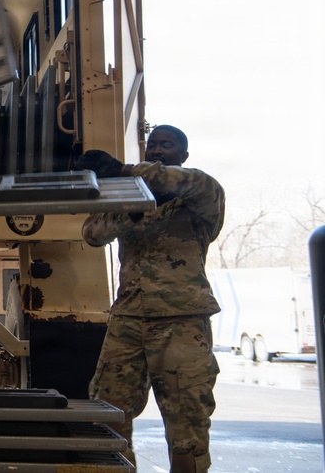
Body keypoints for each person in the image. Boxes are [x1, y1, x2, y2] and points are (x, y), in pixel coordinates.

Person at [75, 125, 225, 473]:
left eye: (167, 145)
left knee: (186, 419)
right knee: (108, 411)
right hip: (128, 319)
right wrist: (132, 211)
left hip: (182, 320)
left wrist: (127, 170)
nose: (157, 150)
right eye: (152, 144)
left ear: (183, 155)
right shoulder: (129, 197)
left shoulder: (202, 193)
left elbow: (188, 183)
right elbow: (92, 233)